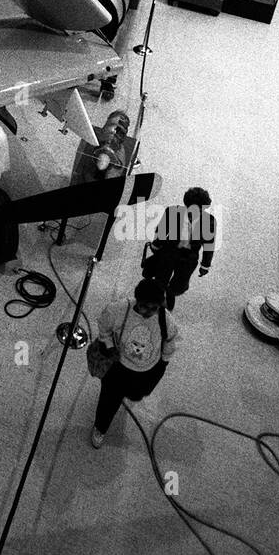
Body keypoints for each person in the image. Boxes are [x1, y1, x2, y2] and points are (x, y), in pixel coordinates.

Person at [91, 279, 179, 447]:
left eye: (154, 308)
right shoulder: (118, 310)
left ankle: (128, 394)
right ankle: (100, 427)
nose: (148, 312)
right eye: (144, 306)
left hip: (148, 370)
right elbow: (104, 328)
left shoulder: (165, 319)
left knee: (137, 394)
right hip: (119, 367)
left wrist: (164, 362)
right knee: (108, 401)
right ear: (136, 300)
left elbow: (171, 340)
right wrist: (109, 347)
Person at [141, 186, 216, 310]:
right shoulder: (172, 212)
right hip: (169, 251)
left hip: (189, 257)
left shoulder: (210, 222)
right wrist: (156, 244)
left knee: (179, 285)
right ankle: (158, 299)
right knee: (161, 279)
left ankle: (171, 293)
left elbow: (209, 246)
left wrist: (205, 265)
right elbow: (162, 231)